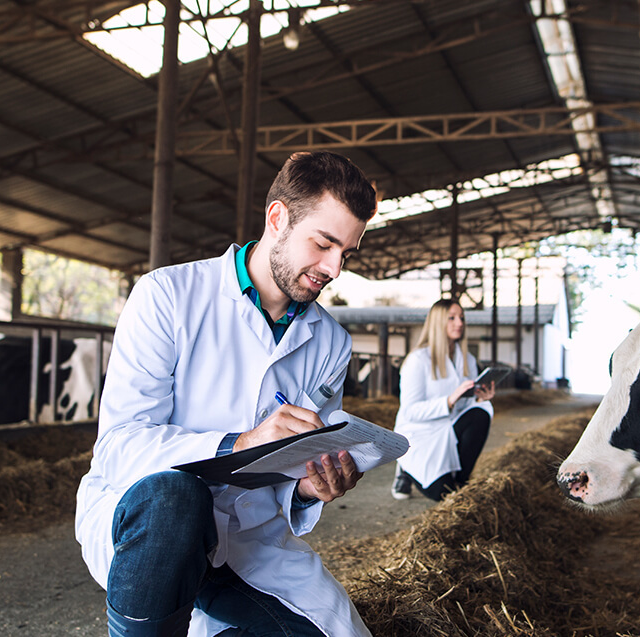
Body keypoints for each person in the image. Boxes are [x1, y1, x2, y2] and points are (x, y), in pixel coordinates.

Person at [74, 151, 377, 637]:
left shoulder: (331, 342)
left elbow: (291, 470)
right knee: (175, 498)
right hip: (153, 529)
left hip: (249, 538)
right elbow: (119, 445)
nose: (334, 268)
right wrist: (236, 444)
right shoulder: (167, 296)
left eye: (347, 253)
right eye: (323, 244)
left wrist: (308, 487)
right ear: (277, 218)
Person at [391, 299, 495, 501]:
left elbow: (467, 406)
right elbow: (410, 411)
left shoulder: (467, 360)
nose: (460, 323)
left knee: (480, 415)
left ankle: (462, 481)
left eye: (462, 318)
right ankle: (405, 468)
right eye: (452, 318)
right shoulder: (418, 360)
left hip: (449, 428)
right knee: (441, 494)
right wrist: (448, 400)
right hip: (421, 434)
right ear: (438, 322)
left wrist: (481, 399)